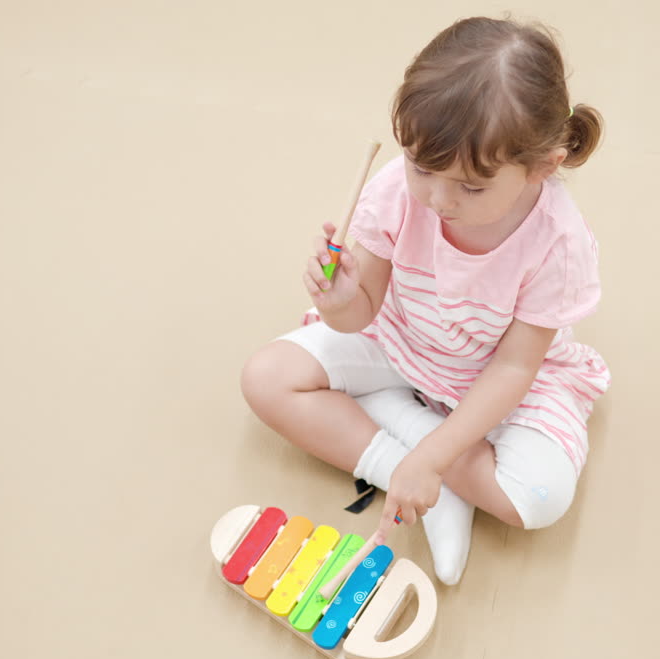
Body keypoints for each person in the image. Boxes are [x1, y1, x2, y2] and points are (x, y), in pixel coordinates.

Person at [241, 16, 610, 585]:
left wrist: (437, 454)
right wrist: (340, 300)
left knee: (537, 498)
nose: (437, 199)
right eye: (421, 168)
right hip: (400, 339)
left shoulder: (557, 242)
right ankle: (413, 466)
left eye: (471, 186)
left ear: (542, 166)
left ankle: (414, 442)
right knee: (265, 378)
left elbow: (515, 367)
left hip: (496, 379)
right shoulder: (396, 190)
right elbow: (361, 311)